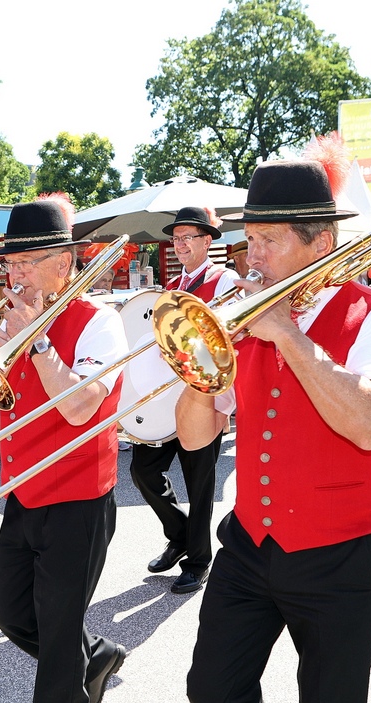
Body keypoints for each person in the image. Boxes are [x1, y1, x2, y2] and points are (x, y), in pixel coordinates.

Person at [179, 157, 371, 703]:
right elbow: (196, 437)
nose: (251, 257)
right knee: (212, 690)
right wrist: (199, 373)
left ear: (323, 240)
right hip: (252, 542)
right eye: (249, 239)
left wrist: (285, 333)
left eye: (269, 239)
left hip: (342, 555)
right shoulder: (242, 317)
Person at [0, 196, 128, 703]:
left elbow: (81, 406)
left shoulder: (99, 321)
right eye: (12, 260)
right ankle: (93, 656)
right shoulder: (7, 318)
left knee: (56, 628)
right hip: (22, 492)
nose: (17, 272)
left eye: (30, 260)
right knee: (11, 611)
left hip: (81, 495)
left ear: (66, 261)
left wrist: (35, 341)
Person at [132, 206, 239, 593]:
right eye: (175, 239)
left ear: (207, 241)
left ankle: (199, 560)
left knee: (200, 485)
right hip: (166, 399)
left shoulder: (224, 279)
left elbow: (227, 337)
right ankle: (179, 536)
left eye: (187, 238)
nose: (179, 245)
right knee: (142, 472)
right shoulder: (173, 284)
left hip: (203, 397)